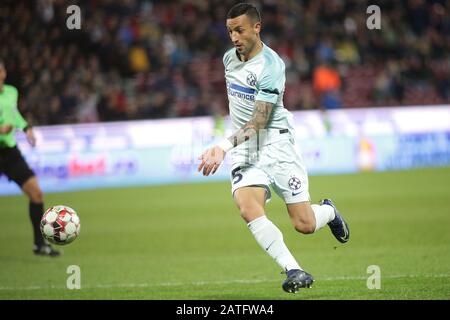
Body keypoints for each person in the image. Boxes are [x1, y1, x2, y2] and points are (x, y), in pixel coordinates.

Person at [198, 3, 349, 293]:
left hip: (276, 142)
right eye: (230, 31)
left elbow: (259, 121)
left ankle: (329, 212)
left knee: (303, 224)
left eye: (240, 30)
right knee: (247, 206)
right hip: (245, 146)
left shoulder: (272, 65)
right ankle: (294, 270)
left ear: (257, 27)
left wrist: (221, 145)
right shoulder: (229, 59)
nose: (234, 37)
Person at [0, 59, 60, 257]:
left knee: (36, 194)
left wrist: (26, 128)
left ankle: (39, 245)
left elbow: (13, 113)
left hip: (9, 152)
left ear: (4, 72)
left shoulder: (11, 92)